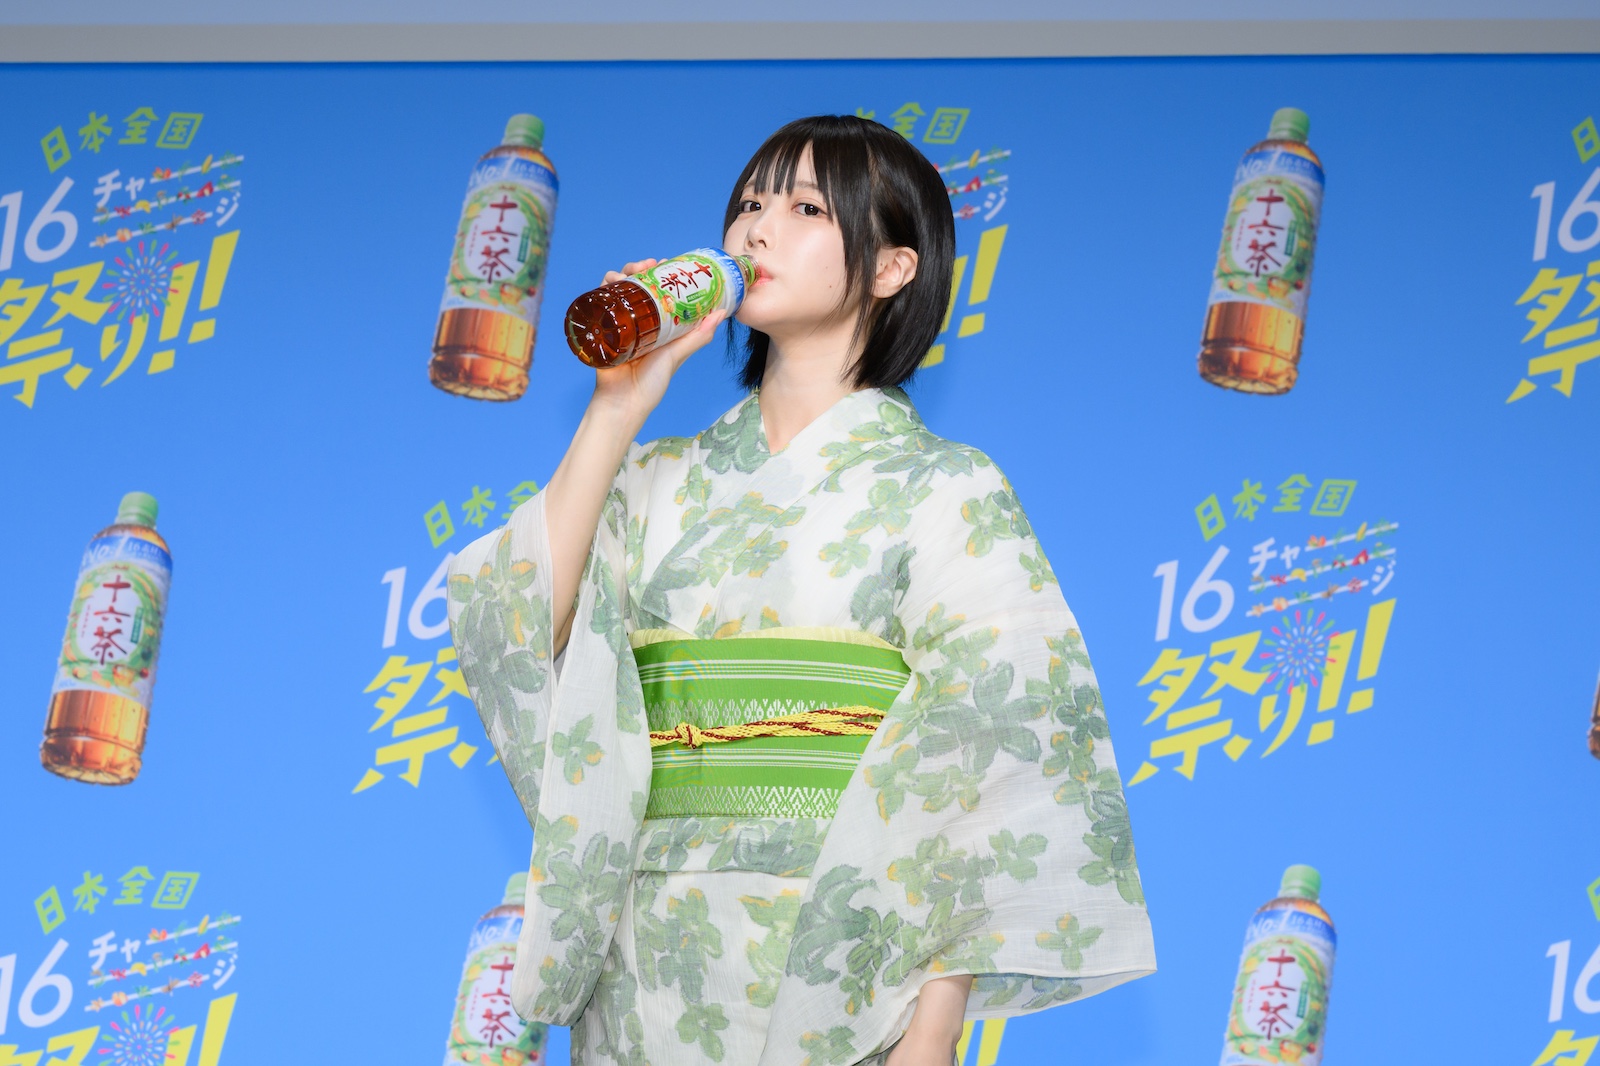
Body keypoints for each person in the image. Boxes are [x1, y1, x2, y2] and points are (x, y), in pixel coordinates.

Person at [447, 114, 1155, 1066]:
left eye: (806, 208)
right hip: (648, 962)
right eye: (748, 204)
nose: (757, 229)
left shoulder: (946, 487)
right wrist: (618, 408)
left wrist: (933, 1029)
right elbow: (514, 626)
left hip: (846, 954)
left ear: (892, 268)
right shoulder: (653, 475)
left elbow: (986, 759)